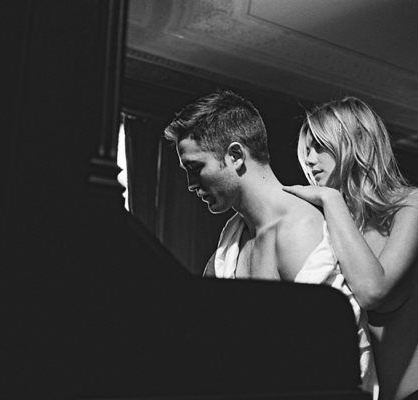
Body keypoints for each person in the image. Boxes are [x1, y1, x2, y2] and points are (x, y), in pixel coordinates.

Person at [162, 89, 378, 398]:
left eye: (196, 168)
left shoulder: (299, 229)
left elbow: (325, 363)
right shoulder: (230, 240)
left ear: (236, 156)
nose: (190, 185)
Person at [283, 96, 418, 400]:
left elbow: (373, 290)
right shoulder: (331, 227)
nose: (309, 161)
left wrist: (331, 199)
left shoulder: (414, 204)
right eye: (306, 151)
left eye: (319, 147)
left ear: (354, 143)